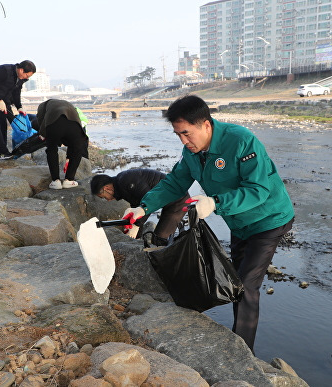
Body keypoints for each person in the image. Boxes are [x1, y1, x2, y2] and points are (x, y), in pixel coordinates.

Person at [122, 95, 294, 353]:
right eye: (178, 134)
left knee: (246, 286)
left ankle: (243, 353)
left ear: (206, 124)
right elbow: (174, 183)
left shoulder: (241, 141)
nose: (183, 141)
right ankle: (237, 339)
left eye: (187, 133)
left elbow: (259, 189)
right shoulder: (191, 152)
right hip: (239, 223)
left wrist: (214, 203)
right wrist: (142, 208)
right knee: (235, 281)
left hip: (268, 220)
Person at [90, 169, 190, 246]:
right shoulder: (122, 185)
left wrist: (136, 226)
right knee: (156, 240)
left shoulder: (126, 182)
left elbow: (147, 204)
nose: (107, 200)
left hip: (178, 199)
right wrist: (136, 236)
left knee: (160, 238)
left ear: (107, 188)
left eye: (103, 197)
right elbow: (138, 209)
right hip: (166, 199)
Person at [35, 99, 89, 189]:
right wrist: (69, 157)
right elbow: (77, 121)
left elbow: (41, 120)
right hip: (74, 125)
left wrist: (42, 134)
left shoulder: (43, 105)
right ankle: (69, 180)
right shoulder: (69, 105)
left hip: (54, 124)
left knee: (52, 149)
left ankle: (55, 181)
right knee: (76, 149)